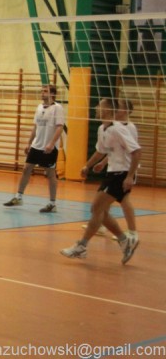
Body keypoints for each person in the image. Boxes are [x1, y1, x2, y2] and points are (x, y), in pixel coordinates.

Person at [61, 98, 141, 264]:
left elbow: (137, 152)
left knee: (97, 208)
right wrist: (88, 166)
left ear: (108, 109)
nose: (97, 108)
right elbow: (100, 151)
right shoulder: (102, 128)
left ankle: (82, 246)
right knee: (99, 211)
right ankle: (124, 241)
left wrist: (129, 176)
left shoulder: (119, 129)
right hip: (112, 173)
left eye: (100, 106)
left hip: (121, 173)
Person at [83, 98, 139, 240]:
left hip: (125, 169)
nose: (116, 109)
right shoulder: (108, 127)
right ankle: (102, 224)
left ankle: (132, 232)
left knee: (123, 200)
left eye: (119, 107)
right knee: (104, 200)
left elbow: (133, 151)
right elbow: (112, 149)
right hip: (114, 169)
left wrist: (130, 175)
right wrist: (102, 163)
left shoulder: (128, 127)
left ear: (125, 111)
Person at [3, 84, 64, 212]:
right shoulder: (39, 107)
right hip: (37, 145)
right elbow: (35, 127)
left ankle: (52, 204)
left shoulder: (57, 108)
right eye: (42, 91)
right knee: (26, 169)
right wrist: (29, 143)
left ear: (52, 94)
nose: (42, 93)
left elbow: (60, 127)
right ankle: (18, 197)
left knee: (50, 174)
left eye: (45, 91)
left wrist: (52, 143)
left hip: (49, 147)